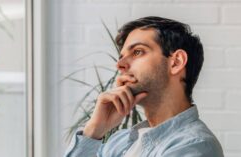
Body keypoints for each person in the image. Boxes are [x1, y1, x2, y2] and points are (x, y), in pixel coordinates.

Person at [63, 16, 224, 157]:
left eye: (138, 52)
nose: (120, 65)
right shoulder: (118, 142)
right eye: (122, 56)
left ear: (176, 62)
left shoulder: (195, 146)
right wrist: (93, 131)